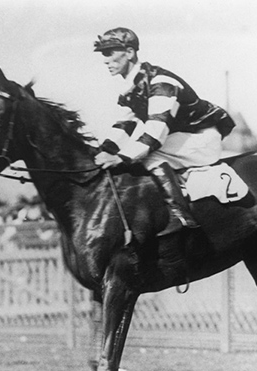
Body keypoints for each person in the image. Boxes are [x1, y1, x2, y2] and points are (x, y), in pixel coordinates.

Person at [93, 27, 235, 236]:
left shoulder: (162, 83)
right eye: (104, 54)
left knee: (145, 156)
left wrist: (120, 158)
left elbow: (155, 133)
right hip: (181, 138)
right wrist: (101, 152)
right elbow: (123, 125)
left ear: (130, 52)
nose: (105, 60)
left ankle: (182, 217)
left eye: (110, 52)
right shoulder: (130, 89)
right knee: (134, 154)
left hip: (202, 137)